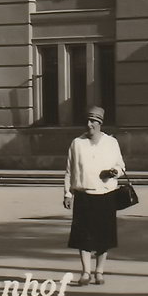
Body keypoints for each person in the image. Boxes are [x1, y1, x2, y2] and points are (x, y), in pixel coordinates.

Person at [62, 105, 124, 286]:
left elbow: (121, 166)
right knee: (84, 236)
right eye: (87, 121)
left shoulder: (111, 143)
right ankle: (86, 272)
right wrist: (68, 193)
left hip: (106, 194)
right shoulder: (77, 143)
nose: (89, 125)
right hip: (84, 195)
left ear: (100, 123)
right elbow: (69, 171)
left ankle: (99, 271)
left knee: (104, 236)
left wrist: (115, 172)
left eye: (93, 121)